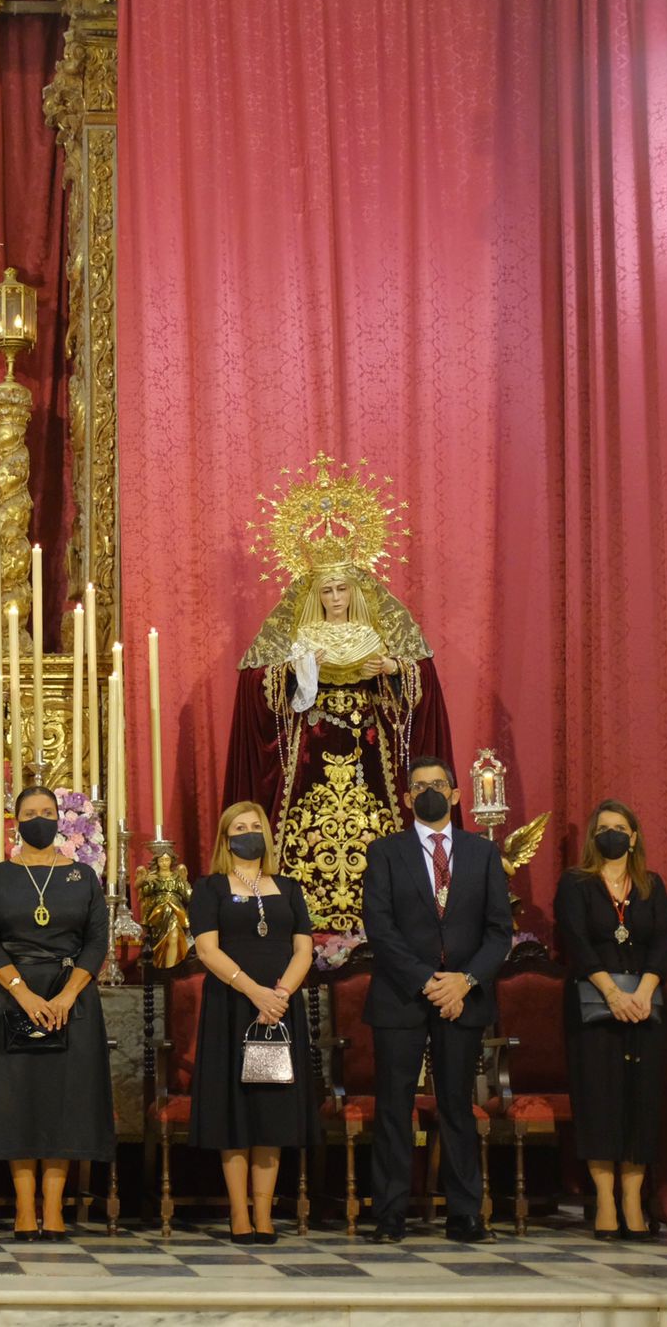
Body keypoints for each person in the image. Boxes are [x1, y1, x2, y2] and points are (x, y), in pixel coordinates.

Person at [224, 455, 455, 933]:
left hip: (368, 749)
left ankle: (385, 917)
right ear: (315, 592)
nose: (334, 597)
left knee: (379, 834)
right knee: (305, 833)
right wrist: (298, 670)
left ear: (355, 590)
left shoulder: (380, 631)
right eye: (326, 589)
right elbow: (257, 683)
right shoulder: (299, 635)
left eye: (341, 588)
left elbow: (421, 682)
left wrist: (392, 669)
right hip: (312, 748)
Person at [361, 756, 512, 1244]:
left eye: (438, 784)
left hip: (462, 999)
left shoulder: (482, 853)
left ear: (455, 794)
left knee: (456, 1106)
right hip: (402, 996)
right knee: (393, 1106)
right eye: (419, 786)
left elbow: (498, 933)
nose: (428, 791)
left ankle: (465, 1212)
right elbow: (380, 927)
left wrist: (463, 982)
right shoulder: (385, 852)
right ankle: (389, 1212)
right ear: (407, 798)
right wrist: (429, 981)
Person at [0, 786, 113, 1240]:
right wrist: (23, 992)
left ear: (60, 819)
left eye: (47, 812)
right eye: (30, 813)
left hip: (71, 996)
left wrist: (66, 995)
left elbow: (96, 942)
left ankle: (55, 1206)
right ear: (16, 820)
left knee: (63, 1101)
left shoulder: (83, 877)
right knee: (16, 1102)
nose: (39, 819)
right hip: (11, 994)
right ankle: (25, 1208)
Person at [187, 800, 317, 1244]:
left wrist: (279, 995)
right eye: (238, 827)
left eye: (254, 826)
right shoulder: (210, 888)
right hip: (233, 1006)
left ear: (266, 833)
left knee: (272, 1111)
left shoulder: (290, 887)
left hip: (280, 1010)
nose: (248, 832)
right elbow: (207, 950)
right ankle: (239, 1214)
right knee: (236, 1111)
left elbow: (303, 950)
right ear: (226, 838)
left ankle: (265, 1215)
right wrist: (255, 991)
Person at [554, 799, 667, 1241]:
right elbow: (578, 943)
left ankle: (632, 1201)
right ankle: (604, 1201)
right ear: (593, 836)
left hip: (645, 1006)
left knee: (640, 1101)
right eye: (604, 827)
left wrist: (641, 992)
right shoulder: (575, 884)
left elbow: (662, 943)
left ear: (634, 837)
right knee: (599, 1100)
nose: (612, 834)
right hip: (593, 1006)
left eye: (620, 827)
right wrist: (612, 993)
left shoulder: (651, 886)